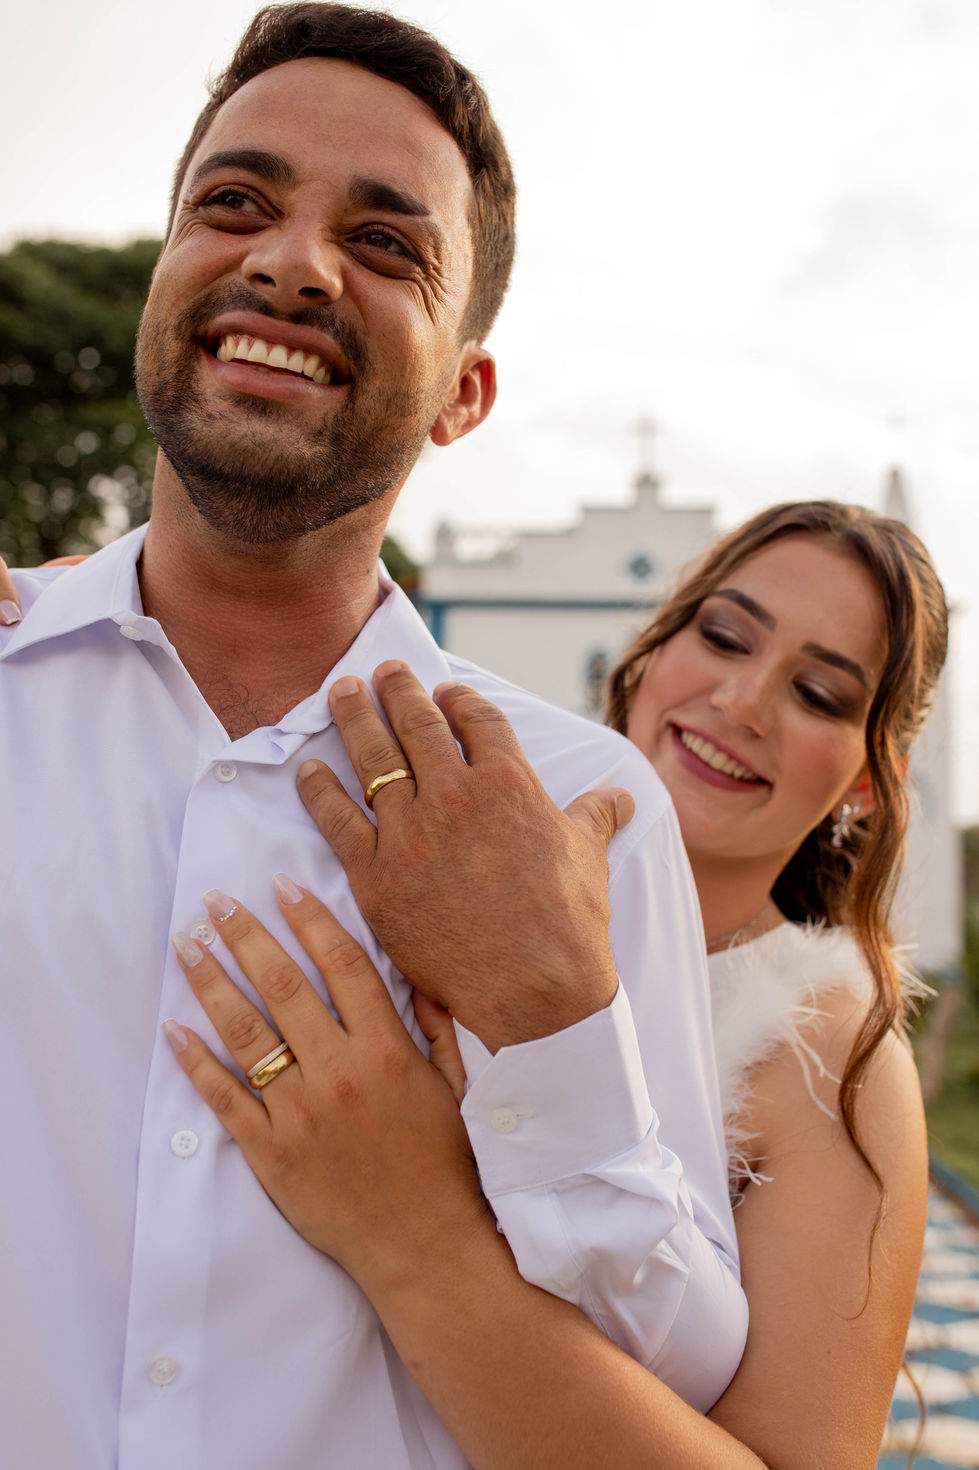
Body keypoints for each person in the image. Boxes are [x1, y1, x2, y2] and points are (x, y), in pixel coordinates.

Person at [0, 6, 746, 1467]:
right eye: (235, 203)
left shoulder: (582, 805)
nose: (287, 260)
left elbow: (682, 1386)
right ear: (163, 281)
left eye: (389, 243)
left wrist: (551, 1027)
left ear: (464, 392)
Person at [146, 501, 944, 1468]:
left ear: (866, 784)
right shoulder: (424, 859)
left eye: (819, 694)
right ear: (646, 655)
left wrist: (414, 1233)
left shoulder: (821, 1040)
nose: (741, 701)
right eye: (723, 636)